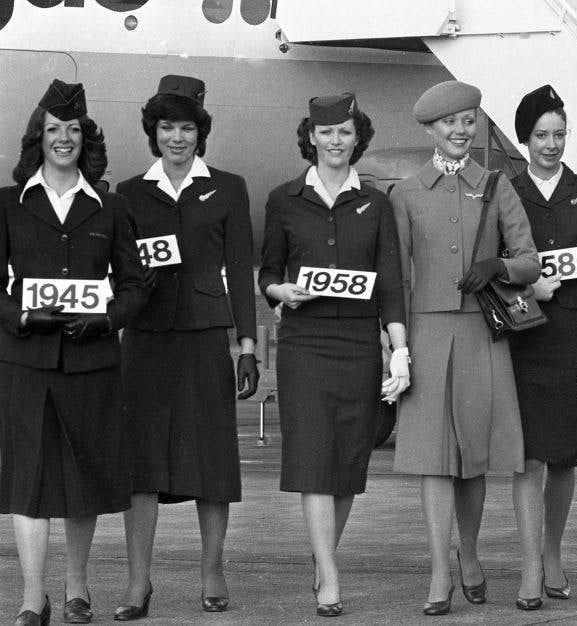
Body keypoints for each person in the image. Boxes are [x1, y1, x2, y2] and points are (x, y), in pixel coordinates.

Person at [0, 79, 148, 626]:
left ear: (86, 139)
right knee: (28, 480)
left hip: (91, 362)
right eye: (53, 129)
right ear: (37, 138)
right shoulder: (8, 205)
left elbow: (135, 285)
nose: (63, 138)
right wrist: (21, 316)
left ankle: (76, 588)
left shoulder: (111, 208)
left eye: (73, 130)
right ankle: (31, 596)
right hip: (26, 361)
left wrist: (107, 320)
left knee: (82, 477)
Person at [390, 80, 540, 616]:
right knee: (433, 461)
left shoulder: (496, 186)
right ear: (431, 129)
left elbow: (530, 261)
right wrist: (396, 346)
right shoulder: (405, 193)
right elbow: (397, 278)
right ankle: (438, 571)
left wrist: (498, 265)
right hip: (426, 334)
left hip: (481, 334)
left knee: (473, 457)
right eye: (449, 122)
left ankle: (469, 554)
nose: (460, 130)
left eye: (468, 120)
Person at [113, 74, 259, 620]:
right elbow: (119, 269)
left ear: (201, 132)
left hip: (203, 336)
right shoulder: (129, 192)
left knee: (212, 459)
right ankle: (137, 583)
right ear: (153, 132)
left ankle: (212, 570)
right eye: (167, 127)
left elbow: (240, 272)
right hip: (146, 339)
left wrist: (247, 346)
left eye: (187, 128)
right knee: (141, 463)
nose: (177, 137)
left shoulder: (229, 187)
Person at [258, 93, 408, 617]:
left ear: (356, 136)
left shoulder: (376, 204)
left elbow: (390, 283)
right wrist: (279, 292)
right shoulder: (284, 199)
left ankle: (323, 558)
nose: (335, 141)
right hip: (305, 343)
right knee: (314, 457)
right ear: (311, 137)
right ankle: (330, 573)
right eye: (326, 132)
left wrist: (399, 350)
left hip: (358, 344)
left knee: (347, 462)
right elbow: (268, 270)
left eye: (344, 131)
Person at [506, 84, 577, 609]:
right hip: (524, 338)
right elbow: (490, 270)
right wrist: (528, 291)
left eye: (559, 134)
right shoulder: (504, 192)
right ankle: (529, 566)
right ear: (524, 139)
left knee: (564, 457)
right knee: (527, 457)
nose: (551, 144)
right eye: (541, 135)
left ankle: (552, 553)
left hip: (572, 337)